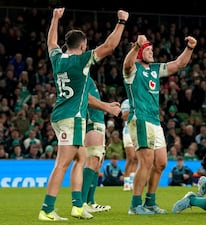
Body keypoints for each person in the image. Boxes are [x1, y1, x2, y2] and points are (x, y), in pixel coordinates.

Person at [38, 7, 129, 221]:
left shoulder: (58, 59)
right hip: (72, 117)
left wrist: (55, 18)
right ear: (83, 45)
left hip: (60, 115)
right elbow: (110, 46)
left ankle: (78, 206)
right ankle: (47, 209)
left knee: (81, 157)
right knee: (62, 164)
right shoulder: (81, 61)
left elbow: (51, 42)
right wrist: (121, 22)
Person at [123, 34, 197, 215]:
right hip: (140, 118)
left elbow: (179, 64)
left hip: (155, 121)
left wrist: (190, 48)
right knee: (146, 162)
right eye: (147, 49)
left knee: (161, 163)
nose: (151, 51)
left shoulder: (155, 69)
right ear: (139, 52)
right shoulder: (132, 70)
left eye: (151, 49)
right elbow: (126, 65)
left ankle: (150, 202)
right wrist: (135, 47)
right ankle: (134, 205)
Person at [81, 77, 121, 214]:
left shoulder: (87, 78)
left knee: (97, 163)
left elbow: (93, 101)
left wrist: (107, 105)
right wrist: (108, 108)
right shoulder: (81, 76)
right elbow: (85, 99)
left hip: (97, 123)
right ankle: (82, 203)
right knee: (92, 160)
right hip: (91, 123)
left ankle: (90, 201)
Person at [121, 98, 137, 191]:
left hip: (138, 132)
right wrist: (135, 109)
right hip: (128, 131)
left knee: (136, 159)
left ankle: (132, 182)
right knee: (131, 157)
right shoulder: (126, 102)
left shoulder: (139, 100)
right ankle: (126, 182)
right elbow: (124, 116)